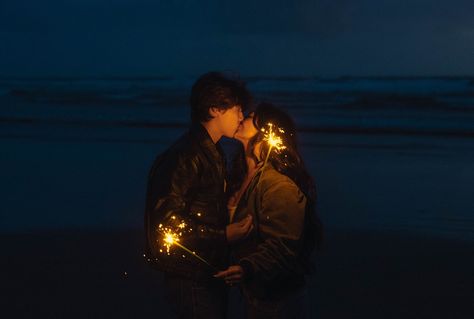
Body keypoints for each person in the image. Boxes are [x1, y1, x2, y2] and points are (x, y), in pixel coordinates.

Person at [144, 72, 254, 318]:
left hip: (207, 269)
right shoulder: (186, 156)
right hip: (190, 274)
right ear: (215, 109)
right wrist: (224, 234)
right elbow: (167, 223)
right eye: (237, 109)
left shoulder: (212, 152)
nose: (241, 116)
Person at [215, 103, 323, 318]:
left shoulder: (278, 186)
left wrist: (248, 268)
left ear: (266, 131)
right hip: (254, 293)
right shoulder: (238, 176)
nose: (242, 118)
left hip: (278, 301)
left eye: (251, 117)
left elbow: (283, 247)